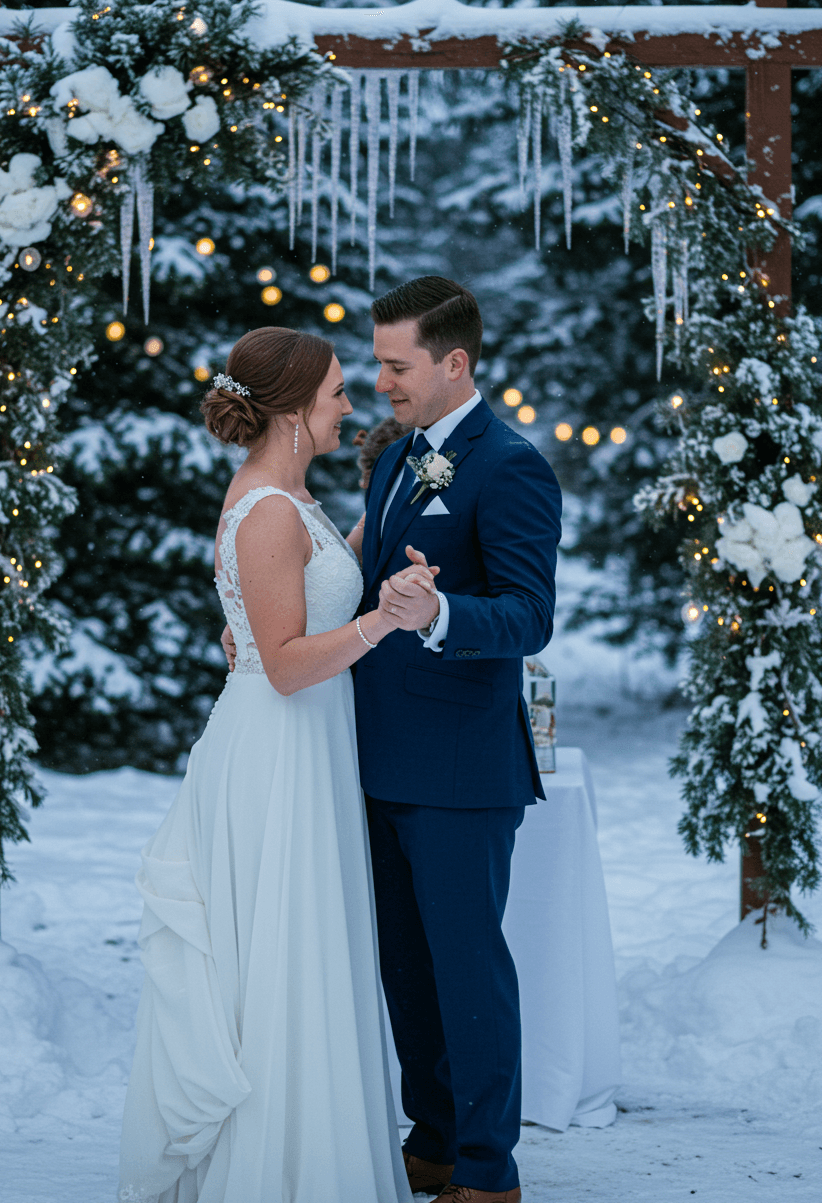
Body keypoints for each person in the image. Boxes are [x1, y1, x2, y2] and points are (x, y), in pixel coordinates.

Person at [118, 326, 431, 1203]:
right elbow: (288, 664)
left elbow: (282, 607)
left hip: (310, 748)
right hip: (276, 752)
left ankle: (314, 1153)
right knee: (280, 952)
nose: (348, 403)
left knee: (308, 947)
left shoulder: (293, 499)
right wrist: (383, 623)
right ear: (294, 407)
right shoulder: (263, 507)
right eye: (336, 391)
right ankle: (277, 1169)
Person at [356, 276, 562, 1203]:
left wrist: (441, 612)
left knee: (469, 977)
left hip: (461, 770)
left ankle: (487, 1170)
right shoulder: (396, 458)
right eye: (378, 363)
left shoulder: (508, 463)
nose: (382, 382)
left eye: (397, 366)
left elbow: (529, 615)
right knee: (407, 973)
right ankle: (432, 1143)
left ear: (455, 363)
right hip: (376, 760)